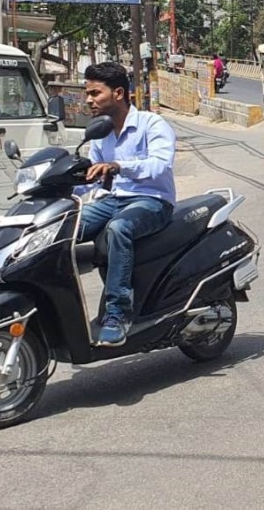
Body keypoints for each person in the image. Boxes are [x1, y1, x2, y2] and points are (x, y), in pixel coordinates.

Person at [78, 62, 176, 347]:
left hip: (152, 201)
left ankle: (118, 314)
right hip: (112, 200)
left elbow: (159, 165)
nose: (89, 100)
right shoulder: (100, 132)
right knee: (65, 225)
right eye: (88, 93)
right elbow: (93, 175)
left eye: (95, 93)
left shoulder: (151, 124)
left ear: (118, 93)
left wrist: (120, 166)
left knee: (117, 229)